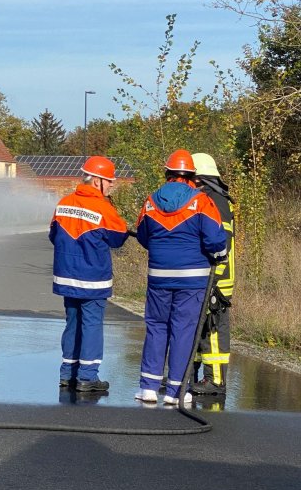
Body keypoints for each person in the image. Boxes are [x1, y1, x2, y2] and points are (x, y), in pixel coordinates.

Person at [134, 150, 227, 405]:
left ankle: (149, 387)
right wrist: (220, 255)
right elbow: (215, 240)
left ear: (168, 174)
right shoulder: (202, 202)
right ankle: (176, 392)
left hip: (159, 277)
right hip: (192, 279)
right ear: (192, 177)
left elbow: (143, 236)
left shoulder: (151, 201)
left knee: (156, 327)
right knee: (183, 331)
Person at [49, 156, 129, 393]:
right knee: (92, 324)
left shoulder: (63, 203)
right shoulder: (103, 208)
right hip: (93, 277)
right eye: (110, 182)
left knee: (72, 322)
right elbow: (118, 238)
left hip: (66, 276)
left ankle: (67, 373)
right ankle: (87, 376)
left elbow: (54, 236)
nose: (112, 186)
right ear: (97, 181)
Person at [190, 152, 235, 395]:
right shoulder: (214, 199)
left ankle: (215, 381)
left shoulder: (216, 202)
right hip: (211, 275)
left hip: (218, 278)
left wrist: (215, 280)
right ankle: (194, 374)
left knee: (214, 330)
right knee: (202, 328)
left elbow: (221, 244)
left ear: (200, 179)